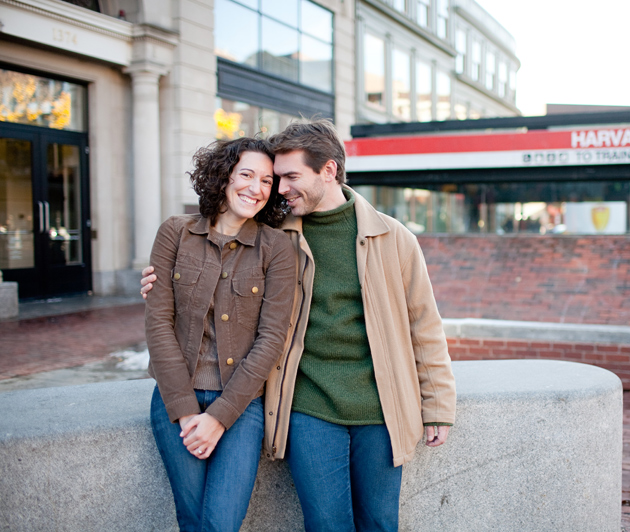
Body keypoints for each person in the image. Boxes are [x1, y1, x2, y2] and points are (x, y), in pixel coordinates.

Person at [142, 119, 456, 532]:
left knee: (380, 522)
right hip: (308, 405)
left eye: (289, 177)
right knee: (326, 524)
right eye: (277, 178)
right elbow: (212, 265)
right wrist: (156, 282)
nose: (279, 189)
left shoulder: (392, 237)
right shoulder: (278, 235)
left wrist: (438, 405)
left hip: (381, 405)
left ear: (328, 171)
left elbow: (424, 325)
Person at [145, 137, 296, 532]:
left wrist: (218, 417)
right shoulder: (174, 233)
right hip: (174, 399)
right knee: (192, 519)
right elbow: (158, 321)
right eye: (246, 174)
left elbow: (271, 339)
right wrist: (185, 410)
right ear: (223, 176)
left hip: (240, 406)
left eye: (267, 181)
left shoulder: (276, 248)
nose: (256, 188)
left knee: (219, 523)